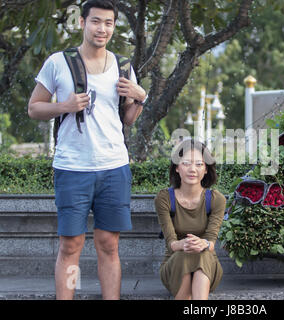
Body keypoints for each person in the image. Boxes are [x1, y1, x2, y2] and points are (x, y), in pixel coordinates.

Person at [27, 0, 147, 300]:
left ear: (113, 26)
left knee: (109, 244)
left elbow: (127, 119)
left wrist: (140, 97)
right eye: (95, 21)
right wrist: (64, 106)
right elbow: (34, 108)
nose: (102, 28)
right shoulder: (58, 62)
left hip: (114, 166)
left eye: (108, 23)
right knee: (71, 245)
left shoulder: (123, 66)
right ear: (82, 23)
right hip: (72, 167)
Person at [155, 139, 226, 300]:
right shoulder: (164, 198)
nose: (192, 169)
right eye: (186, 163)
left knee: (203, 253)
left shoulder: (216, 199)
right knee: (183, 255)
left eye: (199, 164)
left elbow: (211, 241)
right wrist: (184, 244)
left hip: (207, 267)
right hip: (174, 265)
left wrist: (203, 244)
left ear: (206, 169)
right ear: (177, 168)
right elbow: (171, 242)